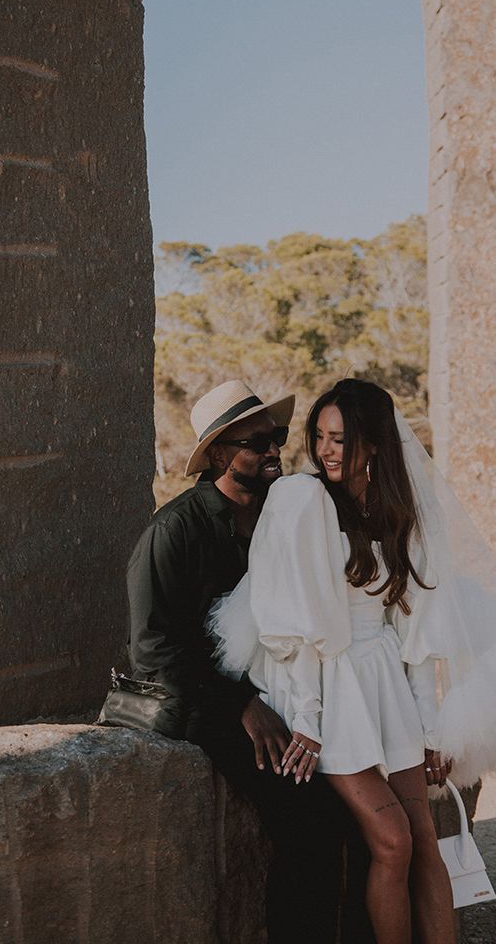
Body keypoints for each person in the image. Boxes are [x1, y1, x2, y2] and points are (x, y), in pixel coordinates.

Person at [208, 378, 496, 944]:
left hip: (384, 677)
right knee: (393, 840)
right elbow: (298, 624)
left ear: (374, 445)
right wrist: (307, 715)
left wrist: (432, 728)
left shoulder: (400, 513)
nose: (326, 450)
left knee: (425, 835)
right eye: (321, 437)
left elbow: (419, 633)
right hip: (330, 684)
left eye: (341, 439)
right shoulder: (301, 500)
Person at [125, 378, 370, 943]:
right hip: (213, 704)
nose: (272, 451)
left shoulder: (284, 510)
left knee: (362, 812)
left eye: (277, 438)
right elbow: (151, 647)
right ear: (217, 453)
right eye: (256, 442)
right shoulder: (173, 531)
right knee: (308, 821)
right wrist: (241, 706)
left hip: (294, 690)